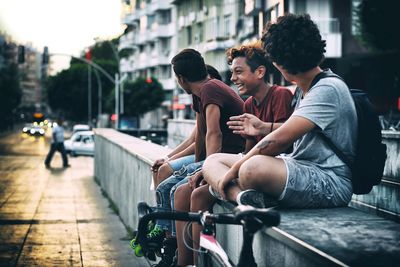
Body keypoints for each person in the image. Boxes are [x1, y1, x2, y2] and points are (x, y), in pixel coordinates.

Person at [203, 13, 356, 212]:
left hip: (330, 181)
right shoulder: (306, 88)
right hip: (299, 167)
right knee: (212, 161)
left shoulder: (327, 89)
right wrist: (262, 127)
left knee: (251, 168)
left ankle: (234, 191)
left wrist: (230, 174)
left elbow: (279, 141)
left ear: (281, 63)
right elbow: (290, 132)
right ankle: (242, 198)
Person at [173, 42, 294, 266]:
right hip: (249, 166)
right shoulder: (248, 104)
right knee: (193, 194)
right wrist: (209, 172)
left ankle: (243, 202)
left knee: (197, 186)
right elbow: (246, 151)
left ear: (260, 72)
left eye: (239, 72)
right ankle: (189, 262)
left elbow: (283, 144)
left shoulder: (281, 95)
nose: (233, 78)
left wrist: (225, 171)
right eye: (232, 72)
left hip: (272, 172)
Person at [134, 50, 245, 267]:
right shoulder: (200, 92)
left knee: (178, 191)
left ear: (181, 79)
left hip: (229, 159)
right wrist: (192, 164)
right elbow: (201, 136)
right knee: (166, 186)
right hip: (218, 157)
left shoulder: (211, 89)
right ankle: (171, 246)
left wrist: (205, 171)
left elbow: (215, 134)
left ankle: (180, 258)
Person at [150, 64, 224, 189]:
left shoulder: (213, 97)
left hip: (214, 157)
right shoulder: (200, 100)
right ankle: (160, 207)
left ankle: (163, 208)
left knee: (165, 171)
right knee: (160, 169)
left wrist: (169, 160)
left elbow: (203, 141)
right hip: (204, 156)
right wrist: (167, 157)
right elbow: (193, 139)